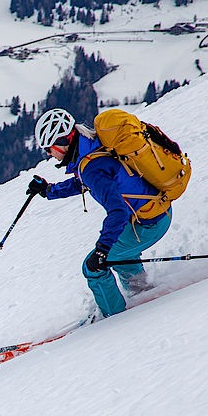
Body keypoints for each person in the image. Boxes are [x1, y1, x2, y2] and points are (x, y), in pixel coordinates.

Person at [27, 108, 173, 319]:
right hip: (156, 211)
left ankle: (112, 319)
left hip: (148, 224)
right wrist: (49, 191)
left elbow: (117, 211)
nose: (49, 155)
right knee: (122, 254)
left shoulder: (90, 166)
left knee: (93, 268)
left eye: (49, 149)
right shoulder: (91, 145)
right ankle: (142, 292)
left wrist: (102, 250)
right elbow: (88, 182)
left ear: (61, 143)